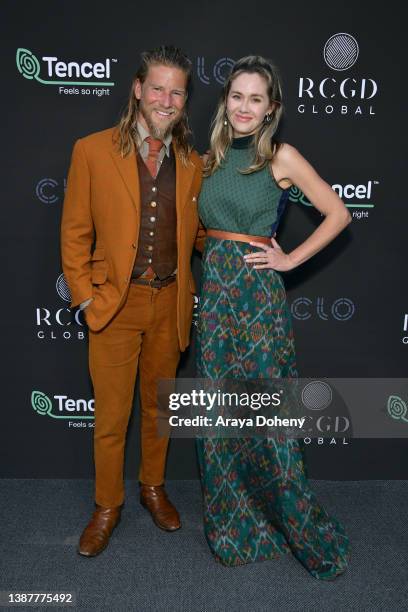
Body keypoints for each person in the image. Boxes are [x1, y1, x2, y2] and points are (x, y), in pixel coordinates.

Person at [195, 55, 351, 580]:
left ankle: (295, 525)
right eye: (236, 96)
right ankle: (238, 531)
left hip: (258, 301)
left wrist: (287, 258)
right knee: (218, 419)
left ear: (271, 109)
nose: (243, 107)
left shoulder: (281, 156)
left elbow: (338, 213)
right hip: (215, 299)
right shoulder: (210, 157)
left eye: (255, 98)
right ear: (226, 102)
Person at [61, 45, 205, 557]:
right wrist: (85, 299)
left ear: (185, 101)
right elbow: (75, 233)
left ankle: (152, 488)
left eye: (178, 92)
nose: (167, 100)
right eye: (158, 88)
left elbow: (204, 233)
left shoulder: (192, 163)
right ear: (139, 90)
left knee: (158, 408)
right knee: (111, 416)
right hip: (114, 308)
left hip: (170, 303)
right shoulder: (92, 150)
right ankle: (107, 505)